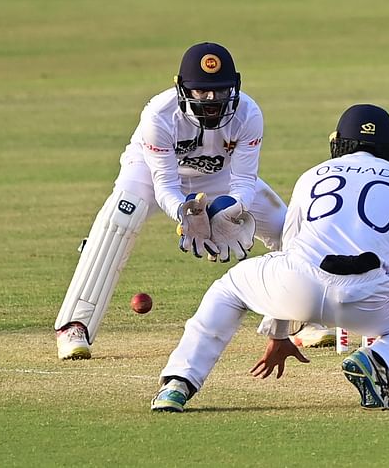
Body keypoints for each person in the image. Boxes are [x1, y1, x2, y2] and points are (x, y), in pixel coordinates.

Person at [150, 103, 389, 412]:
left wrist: (280, 331)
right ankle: (377, 361)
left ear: (338, 143)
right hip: (364, 301)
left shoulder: (312, 175)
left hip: (298, 286)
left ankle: (179, 383)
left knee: (229, 288)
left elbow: (287, 251)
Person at [55, 42, 287, 360]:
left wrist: (232, 207)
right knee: (122, 216)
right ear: (182, 89)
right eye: (202, 92)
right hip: (149, 173)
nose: (211, 101)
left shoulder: (249, 113)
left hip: (220, 175)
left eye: (220, 92)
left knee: (286, 227)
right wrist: (183, 210)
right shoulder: (159, 116)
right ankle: (74, 325)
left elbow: (244, 181)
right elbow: (165, 183)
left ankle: (308, 318)